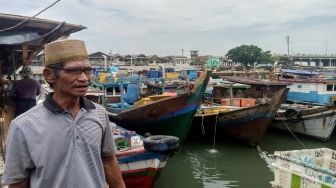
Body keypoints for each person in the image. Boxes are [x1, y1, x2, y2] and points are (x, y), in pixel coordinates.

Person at [2, 39, 126, 188]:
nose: (84, 78)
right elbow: (18, 183)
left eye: (87, 70)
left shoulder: (99, 113)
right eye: (73, 71)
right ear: (49, 75)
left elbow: (108, 161)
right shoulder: (23, 126)